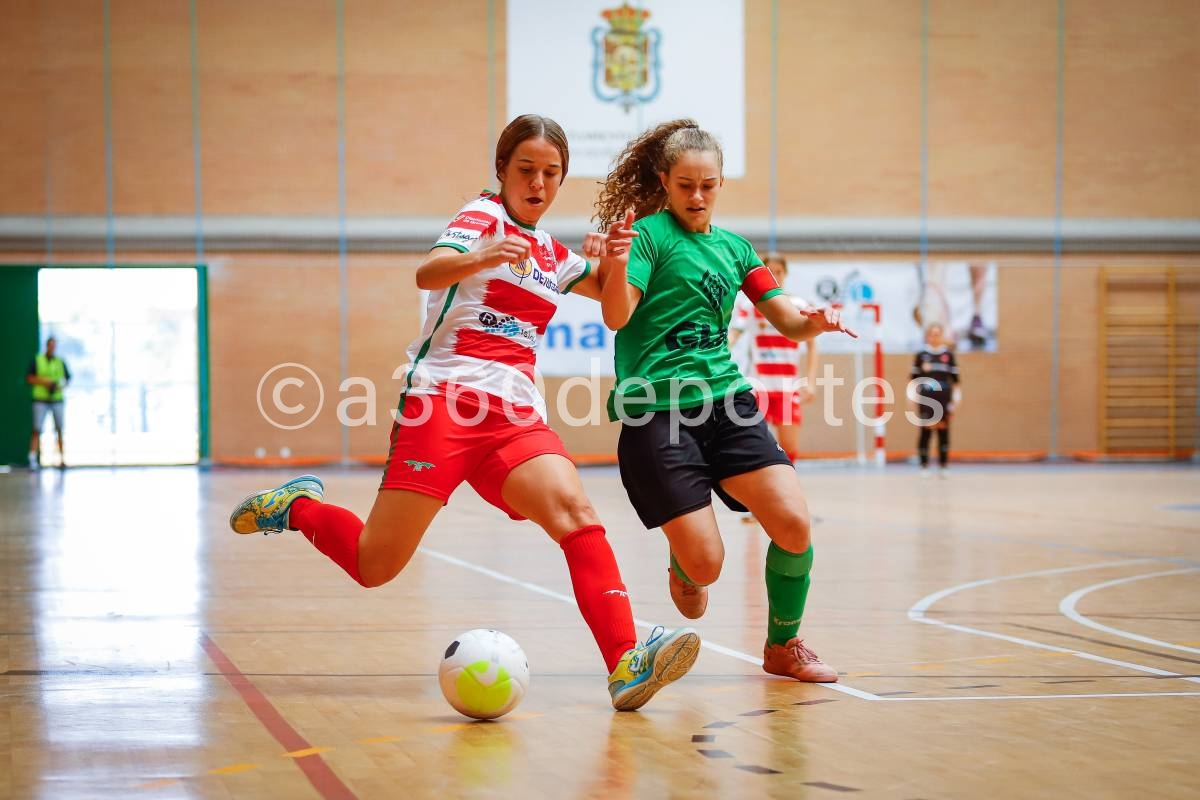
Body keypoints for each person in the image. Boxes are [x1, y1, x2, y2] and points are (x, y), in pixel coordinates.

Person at [227, 115, 699, 711]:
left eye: (551, 174)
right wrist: (479, 255)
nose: (538, 183)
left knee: (578, 514)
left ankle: (626, 661)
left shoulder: (553, 254)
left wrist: (619, 258)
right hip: (444, 405)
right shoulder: (481, 219)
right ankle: (297, 508)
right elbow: (428, 272)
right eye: (526, 170)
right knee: (376, 564)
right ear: (502, 171)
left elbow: (616, 305)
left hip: (515, 416)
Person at [593, 119, 855, 683]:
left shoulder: (736, 249)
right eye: (685, 184)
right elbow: (617, 316)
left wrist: (816, 323)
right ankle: (684, 557)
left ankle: (782, 646)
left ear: (720, 184)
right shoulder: (645, 237)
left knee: (792, 522)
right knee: (706, 568)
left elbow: (785, 318)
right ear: (664, 180)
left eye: (707, 185)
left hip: (728, 404)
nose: (697, 196)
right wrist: (613, 266)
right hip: (656, 412)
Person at [729, 253, 819, 463]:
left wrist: (811, 382)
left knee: (790, 449)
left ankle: (786, 488)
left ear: (786, 274)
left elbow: (813, 345)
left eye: (779, 271)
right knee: (754, 444)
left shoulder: (798, 305)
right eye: (771, 272)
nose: (776, 276)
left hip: (788, 388)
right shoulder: (752, 306)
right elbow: (734, 334)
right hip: (759, 387)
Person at [910, 323, 960, 478]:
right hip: (926, 400)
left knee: (943, 431)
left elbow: (956, 382)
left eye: (938, 334)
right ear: (927, 336)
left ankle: (944, 466)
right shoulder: (921, 355)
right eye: (932, 334)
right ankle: (924, 465)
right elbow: (913, 382)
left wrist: (956, 401)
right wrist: (911, 400)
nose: (935, 337)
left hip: (944, 399)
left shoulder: (948, 356)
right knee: (926, 431)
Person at [27, 336, 70, 470]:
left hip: (57, 400)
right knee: (37, 429)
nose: (52, 348)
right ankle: (32, 459)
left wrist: (58, 386)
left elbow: (67, 379)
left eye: (54, 346)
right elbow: (29, 377)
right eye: (50, 345)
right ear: (47, 346)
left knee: (59, 429)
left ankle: (62, 459)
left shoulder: (60, 362)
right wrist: (45, 382)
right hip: (40, 400)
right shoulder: (37, 360)